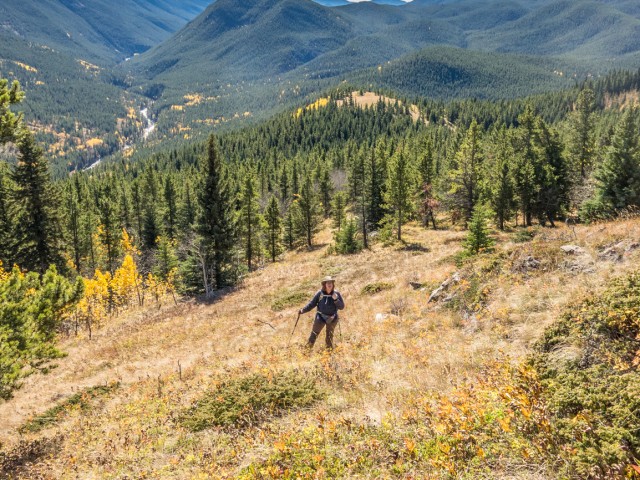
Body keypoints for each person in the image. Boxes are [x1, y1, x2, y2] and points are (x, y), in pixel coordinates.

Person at [299, 276, 345, 349]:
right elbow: (312, 304)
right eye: (328, 283)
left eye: (331, 283)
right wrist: (303, 310)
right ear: (324, 284)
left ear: (333, 284)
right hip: (320, 317)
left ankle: (329, 351)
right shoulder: (320, 293)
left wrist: (336, 300)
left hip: (332, 318)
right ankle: (307, 350)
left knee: (329, 335)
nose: (329, 284)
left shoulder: (336, 294)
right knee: (314, 334)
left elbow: (341, 307)